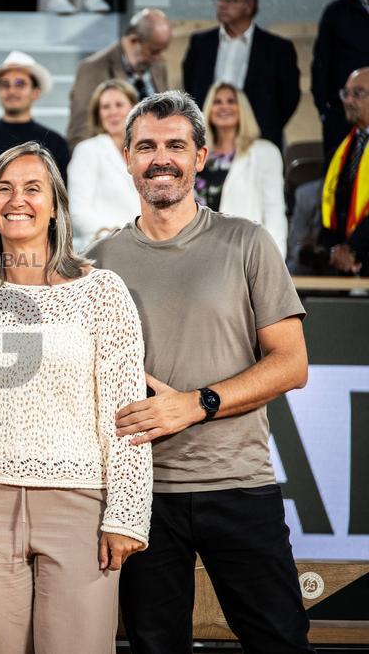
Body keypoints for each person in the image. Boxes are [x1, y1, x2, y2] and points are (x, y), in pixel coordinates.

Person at [87, 90, 313, 653]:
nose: (160, 158)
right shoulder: (101, 259)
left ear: (200, 156)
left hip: (238, 484)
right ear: (127, 158)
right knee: (154, 645)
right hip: (140, 496)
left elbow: (292, 363)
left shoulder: (247, 242)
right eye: (146, 147)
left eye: (175, 146)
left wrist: (196, 402)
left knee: (279, 640)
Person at [0, 140, 152, 653]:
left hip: (81, 508)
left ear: (56, 206)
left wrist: (126, 514)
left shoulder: (101, 291)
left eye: (32, 188)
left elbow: (127, 414)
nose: (16, 200)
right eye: (3, 188)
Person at [0, 51, 70, 250]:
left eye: (20, 84)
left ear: (35, 92)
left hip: (37, 252)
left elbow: (60, 200)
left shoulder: (53, 142)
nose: (11, 91)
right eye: (5, 84)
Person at [181, 0, 300, 150]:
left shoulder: (278, 49)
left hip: (259, 140)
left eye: (230, 0)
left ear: (249, 6)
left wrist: (265, 125)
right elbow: (190, 87)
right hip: (208, 141)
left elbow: (289, 98)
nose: (222, 5)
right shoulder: (200, 43)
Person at [196, 82, 288, 255]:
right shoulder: (197, 154)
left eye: (231, 101)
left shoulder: (264, 152)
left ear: (242, 109)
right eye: (217, 102)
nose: (224, 106)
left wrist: (275, 261)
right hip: (198, 254)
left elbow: (274, 211)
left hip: (242, 254)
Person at [67, 8, 172, 147]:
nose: (159, 57)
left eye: (162, 50)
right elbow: (80, 131)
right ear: (134, 40)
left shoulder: (158, 66)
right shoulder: (93, 68)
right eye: (154, 51)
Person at [68, 79, 141, 250]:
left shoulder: (146, 150)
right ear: (98, 113)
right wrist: (117, 235)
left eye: (119, 104)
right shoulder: (87, 150)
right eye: (106, 107)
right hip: (103, 247)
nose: (112, 112)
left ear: (133, 109)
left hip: (146, 246)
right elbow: (78, 211)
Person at [318, 67, 369, 276]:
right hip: (347, 266)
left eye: (358, 93)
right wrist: (336, 250)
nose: (348, 100)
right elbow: (334, 204)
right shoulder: (344, 148)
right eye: (345, 93)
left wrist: (354, 249)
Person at [312, 0, 369, 161]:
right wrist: (325, 113)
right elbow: (320, 66)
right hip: (341, 119)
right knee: (340, 177)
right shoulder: (336, 13)